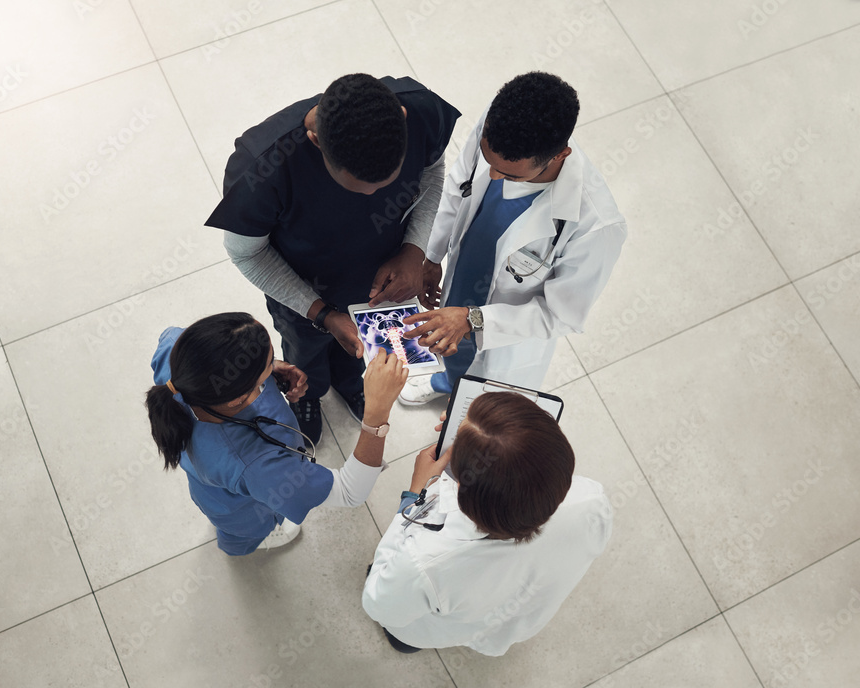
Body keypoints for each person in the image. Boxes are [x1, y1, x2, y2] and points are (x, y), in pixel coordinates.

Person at [206, 74, 460, 442]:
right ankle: (310, 397)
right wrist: (322, 313)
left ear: (404, 117)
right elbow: (247, 255)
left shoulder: (421, 111)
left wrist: (414, 249)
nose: (376, 194)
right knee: (305, 352)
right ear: (316, 143)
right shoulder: (260, 171)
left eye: (387, 182)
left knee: (355, 351)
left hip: (377, 275)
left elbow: (433, 169)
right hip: (304, 290)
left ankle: (348, 383)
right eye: (360, 187)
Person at [398, 72, 627, 404]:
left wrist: (472, 318)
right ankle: (445, 381)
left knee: (479, 396)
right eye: (489, 161)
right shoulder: (498, 126)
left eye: (508, 174)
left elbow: (559, 315)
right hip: (465, 275)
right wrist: (431, 257)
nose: (492, 175)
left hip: (505, 326)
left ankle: (460, 391)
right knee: (450, 345)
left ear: (559, 156)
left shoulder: (597, 226)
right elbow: (457, 187)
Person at [362, 392, 612, 655]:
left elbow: (378, 604)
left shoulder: (423, 563)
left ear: (461, 486)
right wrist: (477, 432)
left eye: (456, 439)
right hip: (510, 621)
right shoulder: (592, 501)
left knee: (402, 636)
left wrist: (415, 496)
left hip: (423, 625)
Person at [146, 312, 408, 556]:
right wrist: (377, 412)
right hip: (240, 511)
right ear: (239, 398)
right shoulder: (260, 467)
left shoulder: (175, 351)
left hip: (212, 483)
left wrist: (272, 369)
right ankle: (244, 544)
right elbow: (350, 493)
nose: (274, 367)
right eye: (266, 368)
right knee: (244, 532)